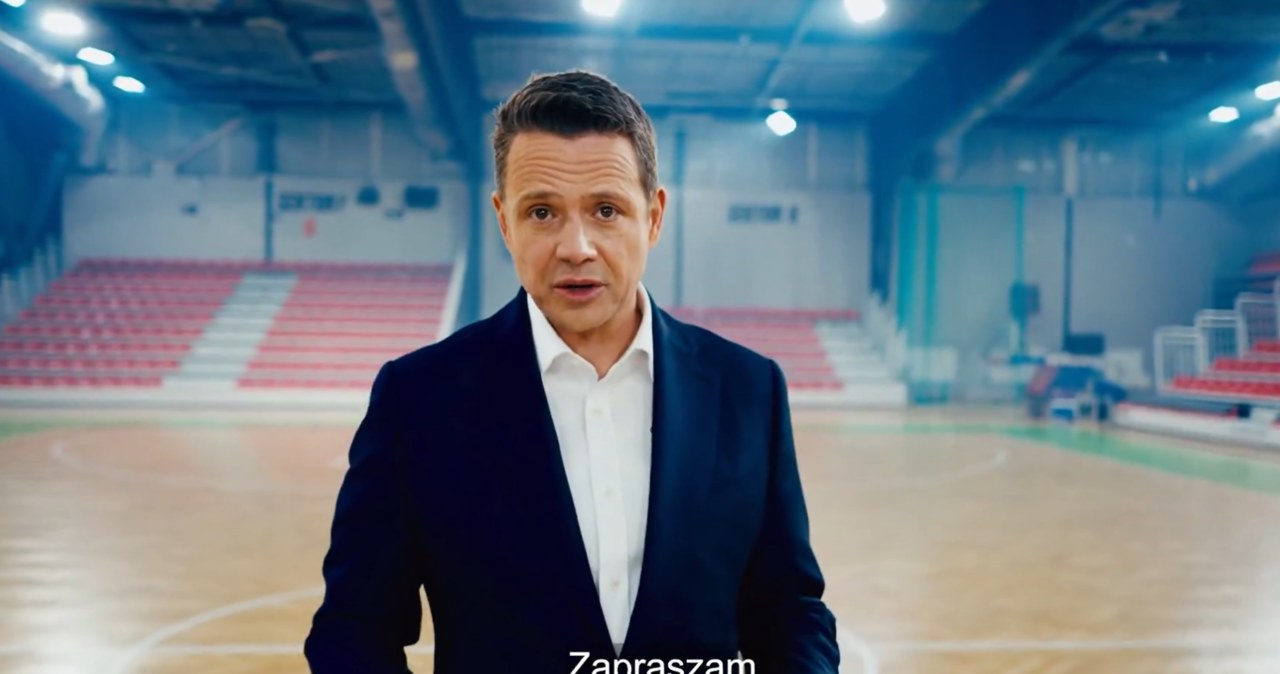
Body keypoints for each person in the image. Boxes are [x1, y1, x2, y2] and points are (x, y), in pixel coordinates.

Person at [303, 70, 840, 674]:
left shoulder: (748, 390)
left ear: (653, 217)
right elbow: (355, 626)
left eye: (606, 210)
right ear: (504, 222)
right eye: (542, 212)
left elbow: (789, 609)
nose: (576, 247)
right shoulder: (418, 400)